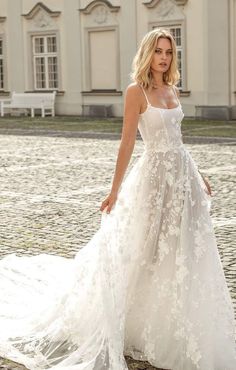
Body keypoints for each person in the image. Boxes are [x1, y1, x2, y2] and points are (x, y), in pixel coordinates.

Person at [0, 29, 235, 370]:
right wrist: (113, 191)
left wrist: (198, 173)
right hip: (153, 178)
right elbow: (127, 142)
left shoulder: (173, 88)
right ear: (147, 54)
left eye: (169, 51)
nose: (164, 57)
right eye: (158, 51)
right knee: (145, 247)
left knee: (179, 249)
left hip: (182, 178)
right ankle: (134, 321)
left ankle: (171, 321)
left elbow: (177, 138)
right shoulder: (135, 92)